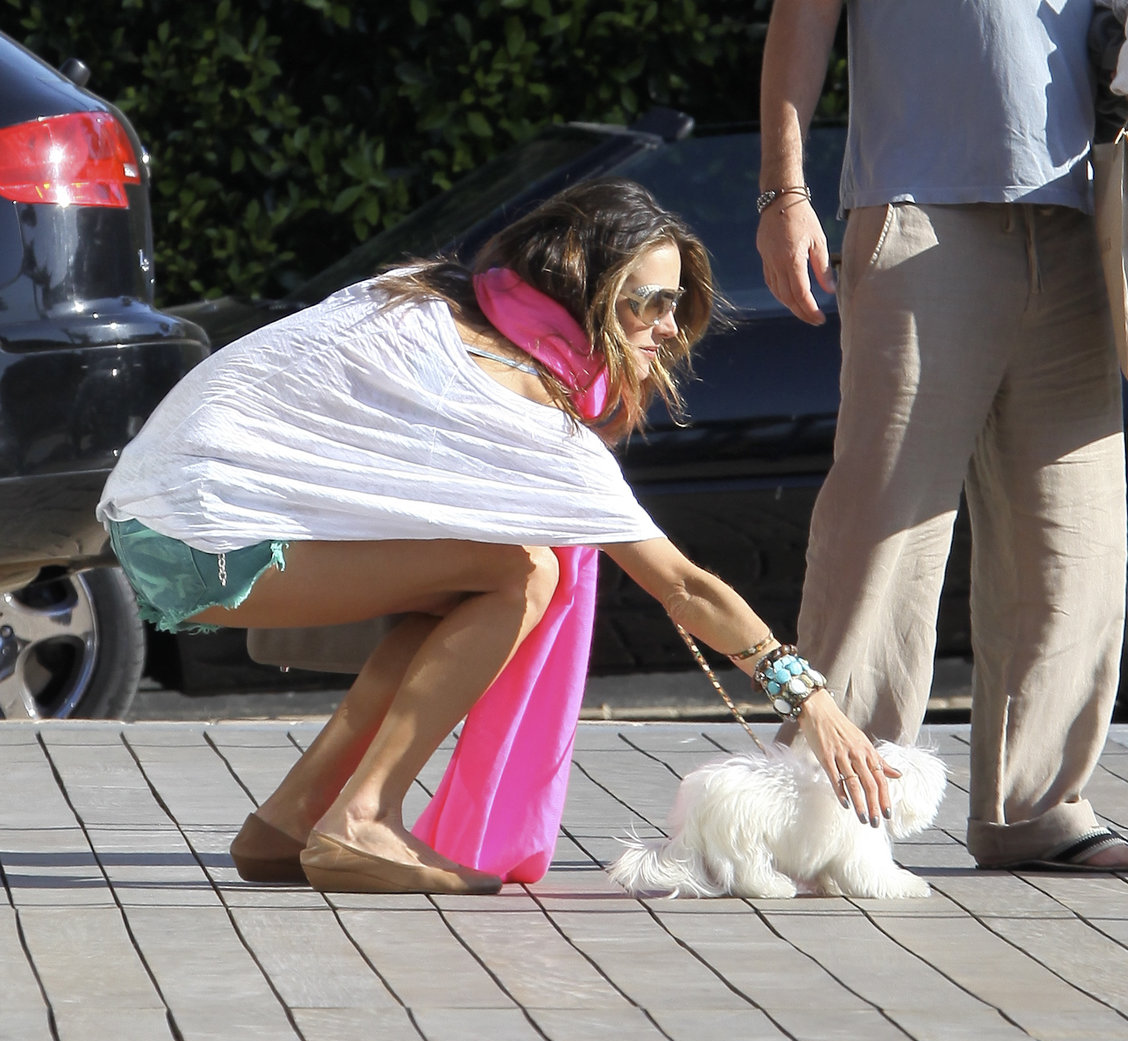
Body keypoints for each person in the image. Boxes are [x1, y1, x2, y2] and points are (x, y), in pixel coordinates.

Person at [98, 178, 895, 896]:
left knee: (464, 585)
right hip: (203, 536)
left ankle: (290, 818)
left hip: (155, 516)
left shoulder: (434, 300)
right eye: (642, 302)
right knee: (521, 574)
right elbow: (683, 586)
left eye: (674, 305)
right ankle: (362, 819)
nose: (663, 328)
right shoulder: (517, 405)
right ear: (582, 292)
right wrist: (813, 701)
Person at [756, 0, 1128, 870]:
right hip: (918, 210)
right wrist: (784, 194)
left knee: (1076, 544)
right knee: (885, 531)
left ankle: (1036, 809)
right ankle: (828, 801)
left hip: (1082, 213)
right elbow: (801, 19)